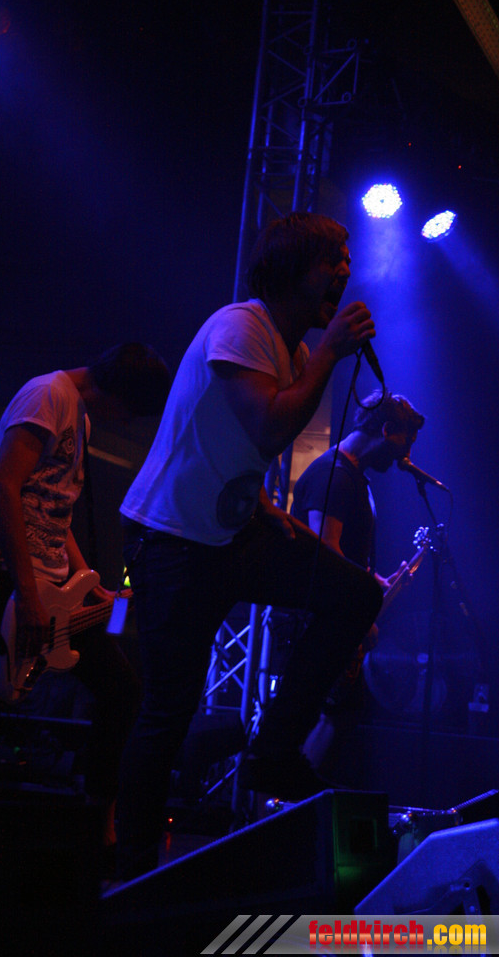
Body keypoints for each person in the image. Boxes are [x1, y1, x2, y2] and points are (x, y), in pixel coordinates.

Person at [116, 212, 387, 880]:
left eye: (347, 258)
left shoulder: (291, 353)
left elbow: (236, 448)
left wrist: (267, 509)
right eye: (332, 258)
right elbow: (265, 428)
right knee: (167, 711)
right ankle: (133, 874)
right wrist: (329, 355)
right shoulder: (240, 326)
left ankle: (274, 751)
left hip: (233, 535)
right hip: (173, 540)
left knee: (354, 594)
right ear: (292, 267)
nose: (346, 270)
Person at [0, 343, 171, 851]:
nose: (126, 422)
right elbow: (5, 489)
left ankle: (97, 821)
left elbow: (57, 509)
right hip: (9, 581)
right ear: (116, 392)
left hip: (55, 586)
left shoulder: (80, 416)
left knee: (122, 692)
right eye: (129, 411)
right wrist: (27, 592)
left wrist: (86, 579)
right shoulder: (47, 396)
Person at [290, 389, 425, 767]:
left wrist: (374, 581)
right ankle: (285, 793)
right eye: (405, 442)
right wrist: (361, 610)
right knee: (319, 717)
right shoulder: (334, 475)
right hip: (316, 624)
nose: (405, 455)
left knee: (340, 715)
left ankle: (297, 789)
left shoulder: (354, 477)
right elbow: (326, 553)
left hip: (335, 620)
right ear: (386, 430)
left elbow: (343, 557)